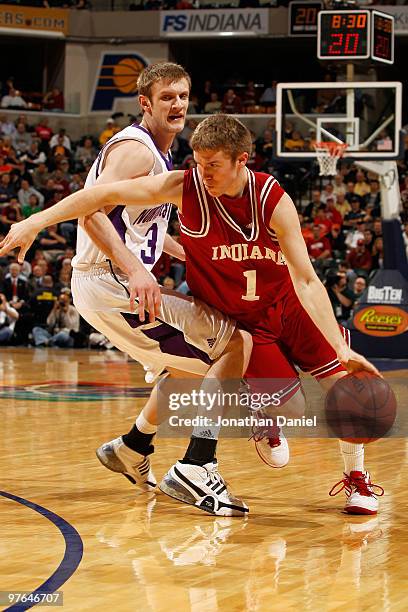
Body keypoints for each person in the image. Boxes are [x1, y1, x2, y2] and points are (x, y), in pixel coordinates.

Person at [0, 114, 383, 516]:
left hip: (286, 305)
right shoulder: (183, 187)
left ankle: (357, 478)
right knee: (290, 408)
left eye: (213, 164)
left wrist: (342, 348)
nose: (203, 172)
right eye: (198, 162)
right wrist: (35, 220)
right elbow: (97, 196)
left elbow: (306, 281)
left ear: (242, 161)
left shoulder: (272, 199)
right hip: (244, 324)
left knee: (344, 383)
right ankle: (262, 411)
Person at [0, 65, 252, 517]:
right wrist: (134, 267)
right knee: (235, 345)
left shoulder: (160, 154)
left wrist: (188, 255)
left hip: (110, 283)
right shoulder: (136, 150)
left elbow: (144, 231)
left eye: (183, 95)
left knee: (190, 368)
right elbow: (92, 212)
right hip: (109, 281)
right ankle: (198, 464)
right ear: (146, 103)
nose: (178, 104)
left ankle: (132, 447)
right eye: (168, 97)